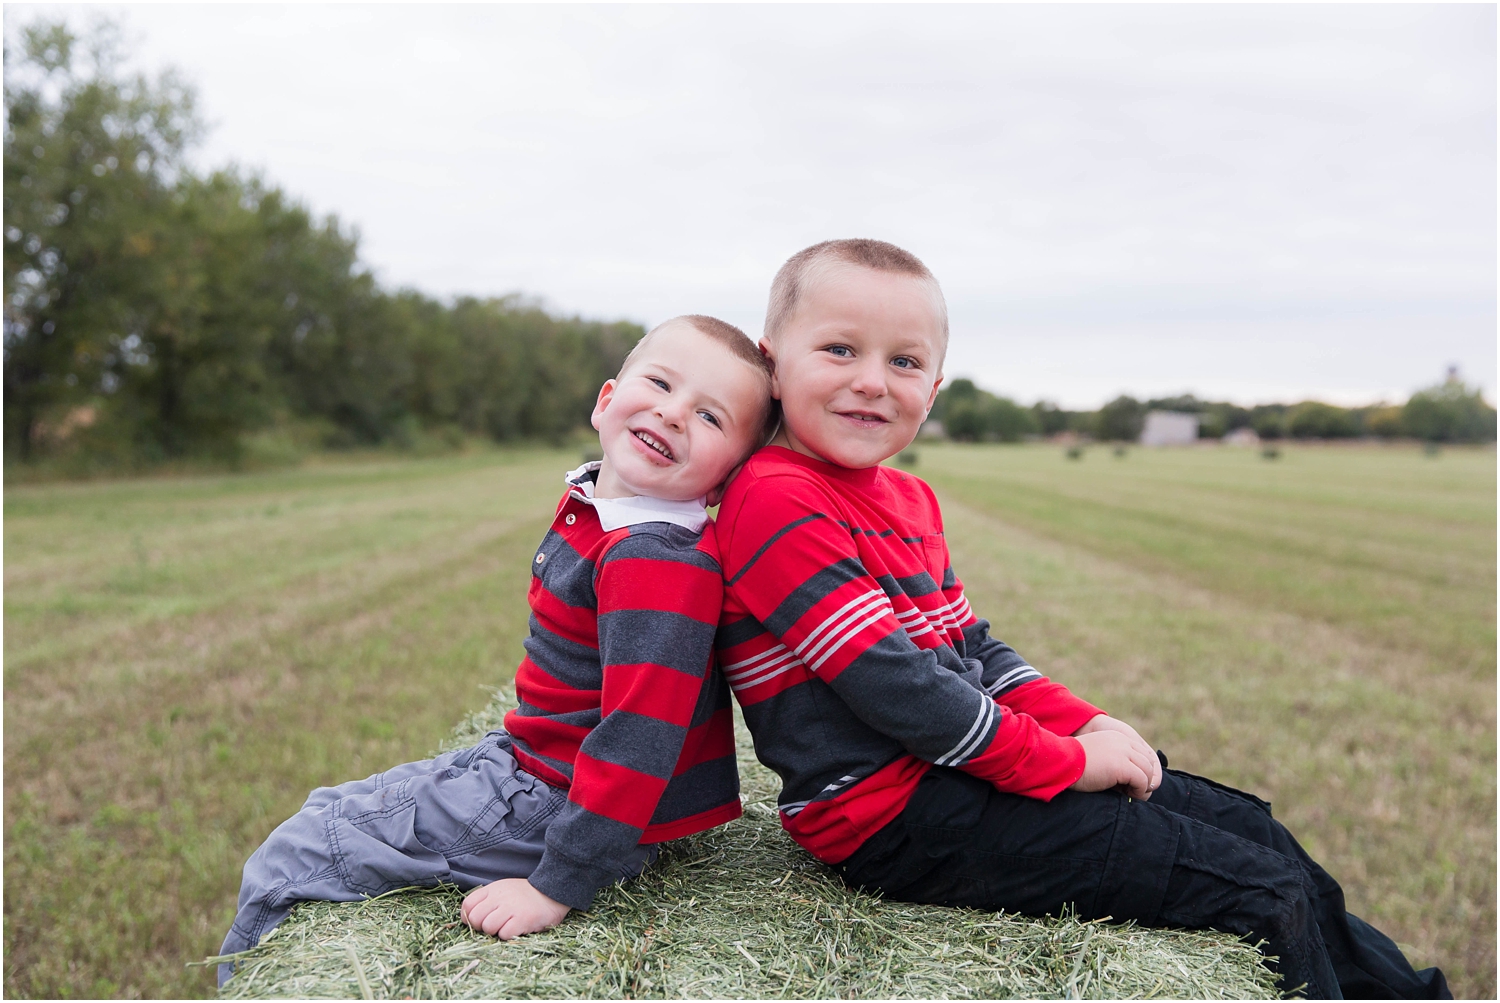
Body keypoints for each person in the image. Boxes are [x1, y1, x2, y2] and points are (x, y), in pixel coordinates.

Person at [713, 239, 1449, 1000]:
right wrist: (1068, 762)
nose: (872, 381)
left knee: (1260, 830)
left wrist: (1088, 722)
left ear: (933, 389)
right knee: (1260, 893)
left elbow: (973, 647)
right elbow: (902, 691)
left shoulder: (908, 500)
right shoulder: (775, 496)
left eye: (904, 363)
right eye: (839, 349)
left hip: (960, 779)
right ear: (774, 363)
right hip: (892, 819)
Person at [218, 315, 778, 985]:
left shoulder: (654, 559)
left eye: (711, 417)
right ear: (606, 400)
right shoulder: (616, 516)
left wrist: (556, 885)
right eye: (659, 382)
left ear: (722, 483)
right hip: (536, 766)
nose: (673, 411)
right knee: (325, 807)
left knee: (294, 855)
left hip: (551, 797)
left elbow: (639, 740)